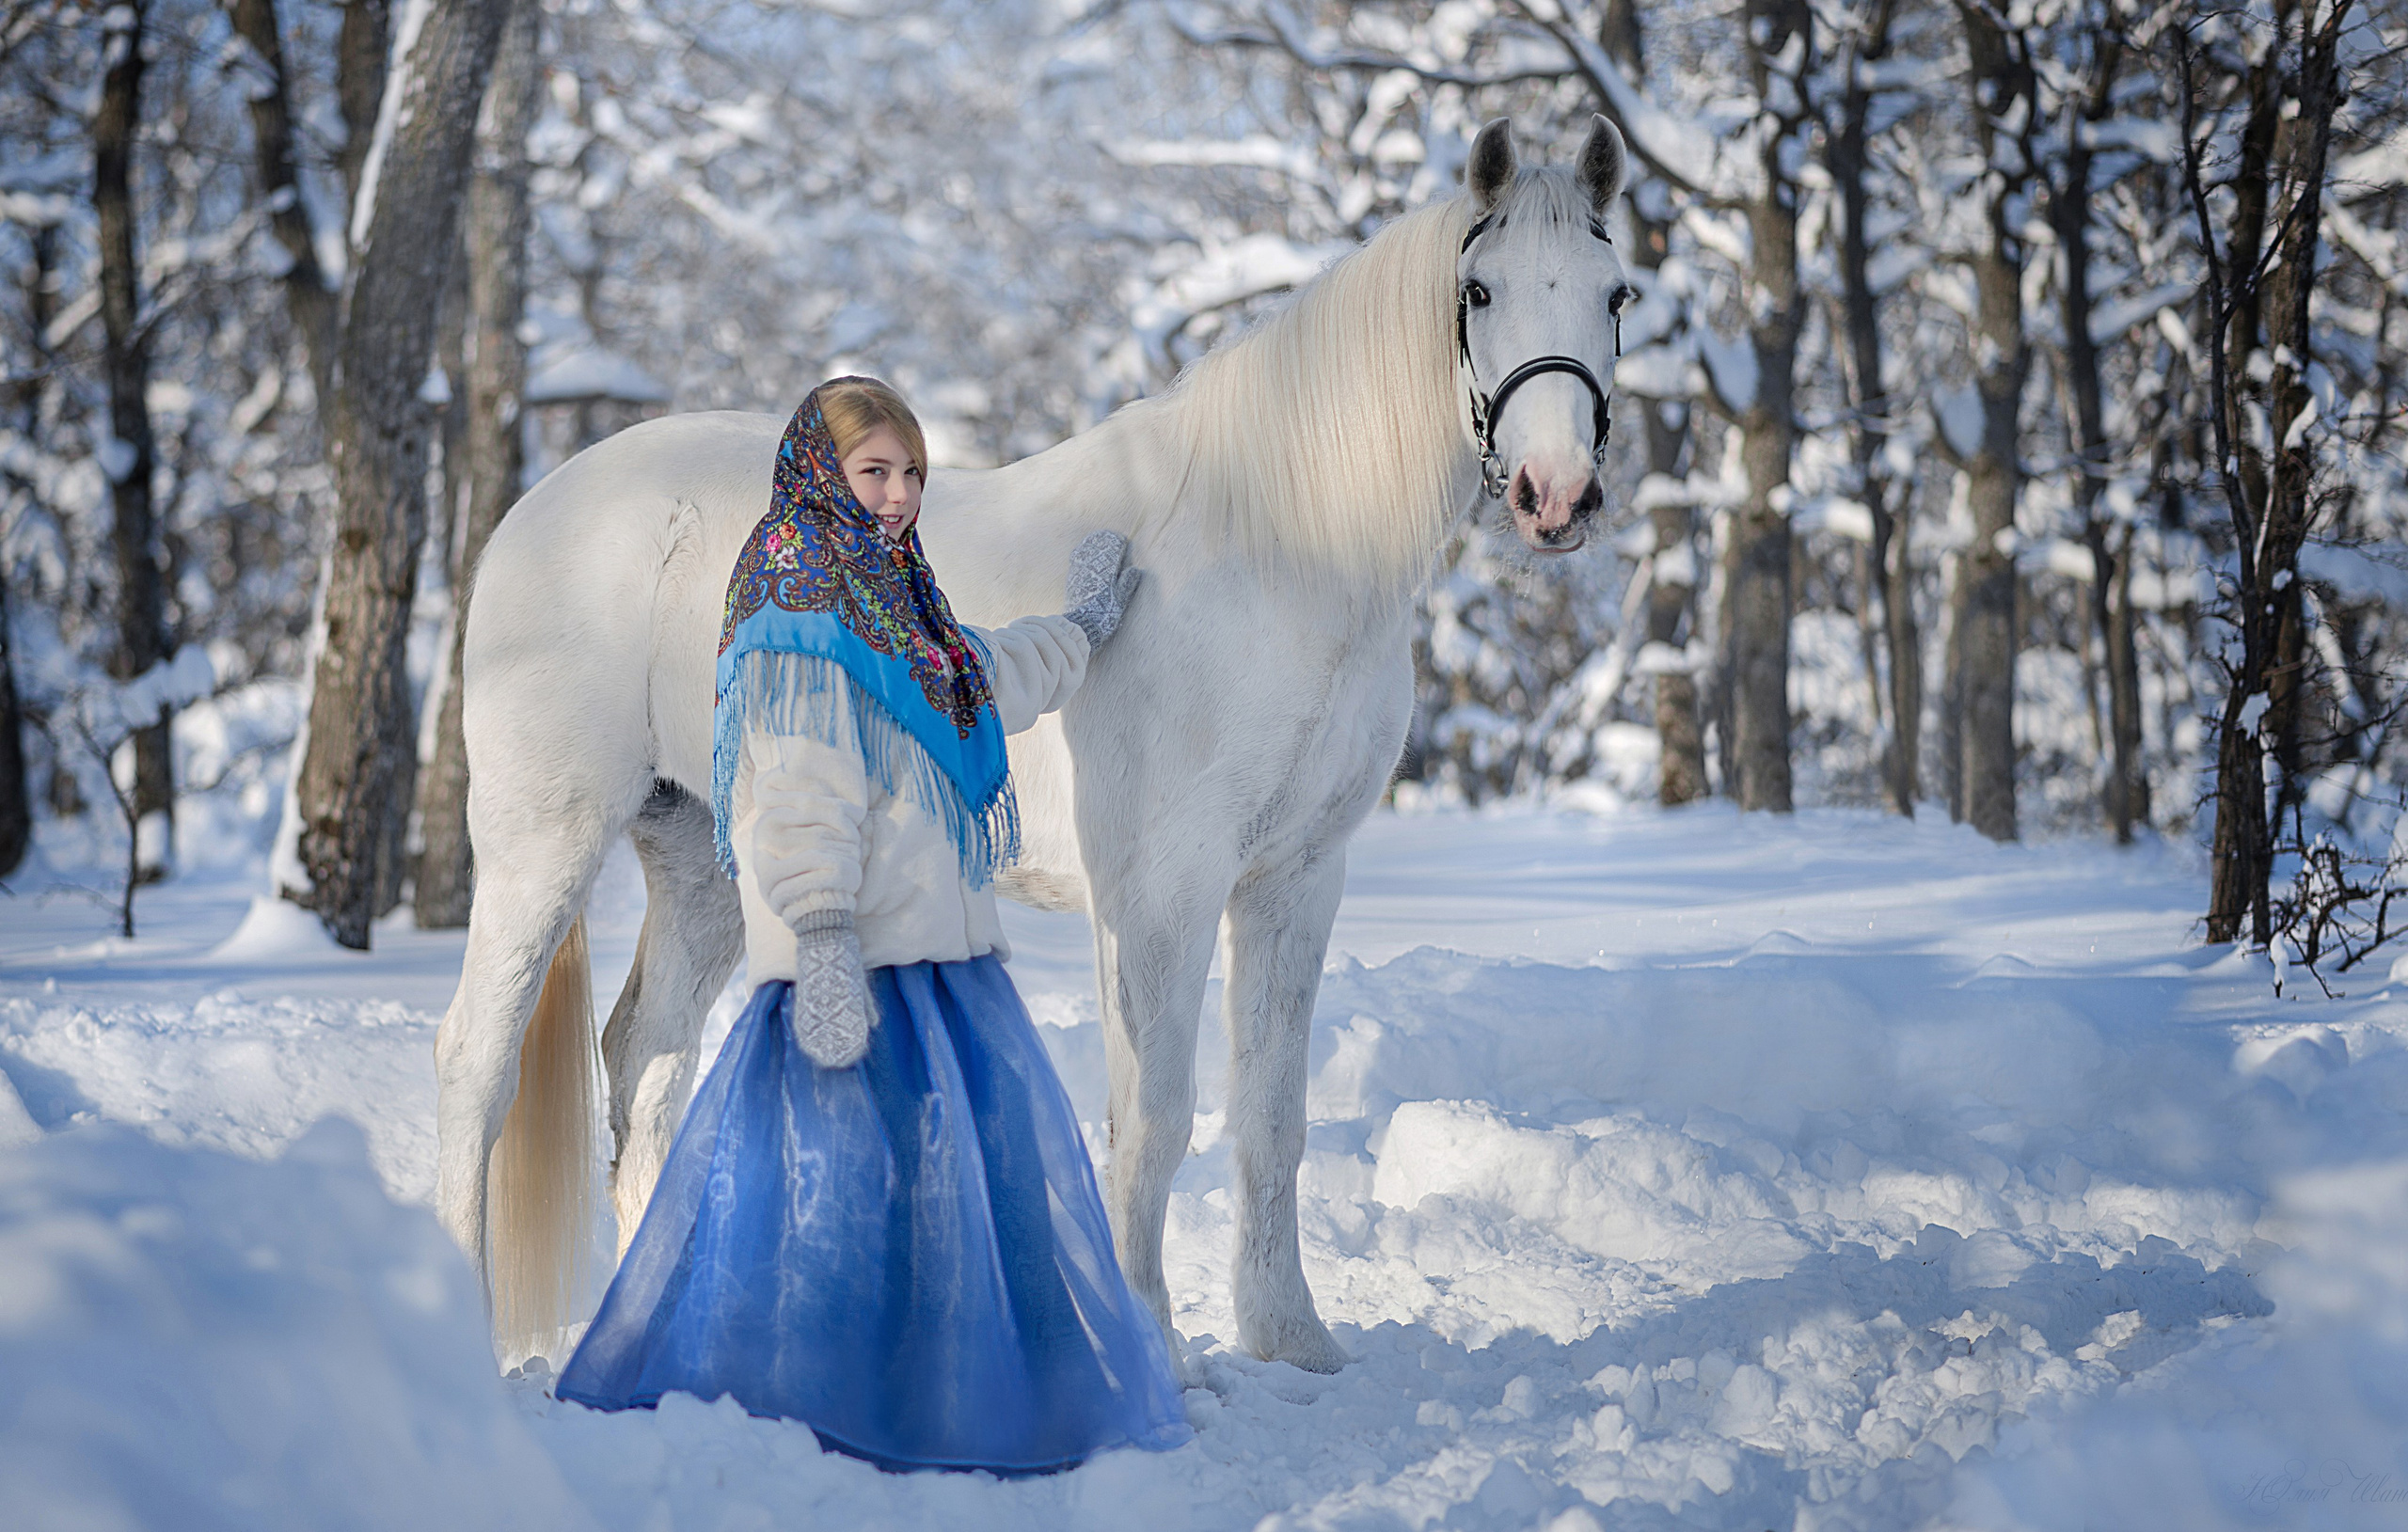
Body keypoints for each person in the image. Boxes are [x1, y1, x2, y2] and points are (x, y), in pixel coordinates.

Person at [556, 377, 1190, 1476]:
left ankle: (959, 1382)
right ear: (820, 472)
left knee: (959, 1187)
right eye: (873, 473)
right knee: (842, 1189)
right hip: (849, 965)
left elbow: (973, 678)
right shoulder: (801, 602)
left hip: (940, 966)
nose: (896, 498)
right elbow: (798, 790)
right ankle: (825, 1396)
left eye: (909, 474)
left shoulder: (895, 595)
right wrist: (822, 937)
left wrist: (1080, 631)